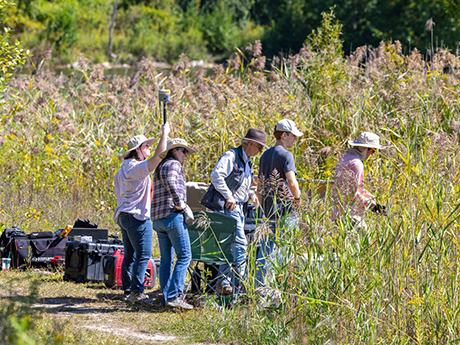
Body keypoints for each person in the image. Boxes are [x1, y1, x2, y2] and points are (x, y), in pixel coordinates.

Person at [202, 128, 268, 295]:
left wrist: (251, 194)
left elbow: (243, 184)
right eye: (259, 147)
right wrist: (228, 196)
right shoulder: (231, 156)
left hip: (239, 208)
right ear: (251, 143)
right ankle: (241, 286)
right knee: (240, 245)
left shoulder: (248, 161)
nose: (260, 152)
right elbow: (216, 175)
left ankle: (224, 283)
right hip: (228, 207)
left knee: (231, 246)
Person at [114, 123, 170, 304]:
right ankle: (137, 292)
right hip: (136, 216)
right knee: (144, 254)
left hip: (124, 215)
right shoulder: (134, 168)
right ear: (137, 150)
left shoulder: (123, 169)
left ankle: (128, 290)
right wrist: (165, 135)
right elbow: (158, 158)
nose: (149, 148)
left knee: (130, 255)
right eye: (146, 146)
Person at [255, 119, 303, 286]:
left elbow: (259, 188)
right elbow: (291, 181)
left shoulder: (264, 155)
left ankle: (260, 287)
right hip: (284, 210)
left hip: (268, 213)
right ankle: (280, 286)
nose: (294, 140)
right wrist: (297, 198)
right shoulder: (286, 155)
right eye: (293, 136)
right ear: (284, 135)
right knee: (285, 248)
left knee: (265, 250)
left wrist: (263, 209)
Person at [152, 138, 196, 310]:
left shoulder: (160, 166)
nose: (185, 155)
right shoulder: (174, 165)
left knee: (166, 260)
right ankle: (174, 296)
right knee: (185, 255)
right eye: (183, 151)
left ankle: (165, 297)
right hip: (172, 216)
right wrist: (181, 204)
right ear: (175, 150)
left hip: (158, 219)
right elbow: (171, 182)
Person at [331, 132, 386, 230]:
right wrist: (371, 206)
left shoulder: (345, 157)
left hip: (337, 212)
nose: (372, 155)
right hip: (351, 215)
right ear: (367, 148)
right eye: (373, 151)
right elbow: (352, 193)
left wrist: (371, 199)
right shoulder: (357, 164)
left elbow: (351, 187)